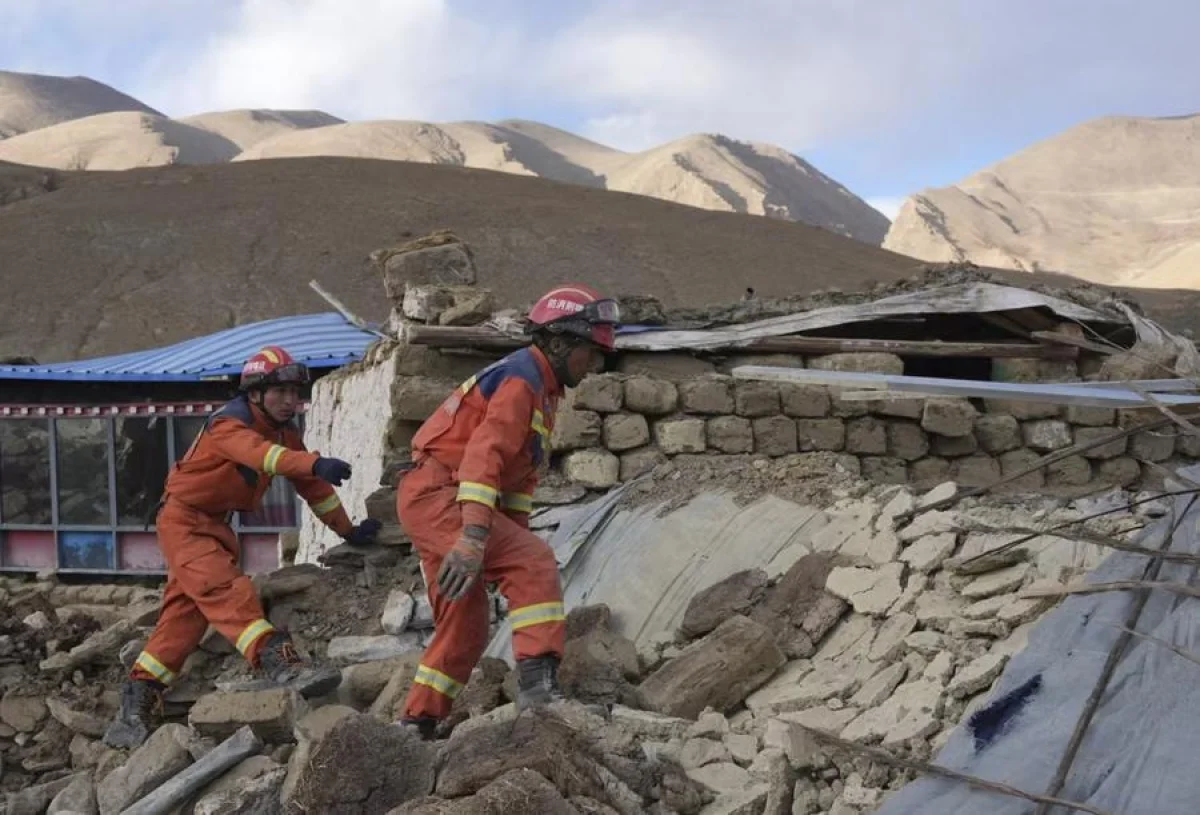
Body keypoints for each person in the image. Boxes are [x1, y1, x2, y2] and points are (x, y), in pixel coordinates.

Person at [103, 346, 380, 749]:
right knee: (225, 590)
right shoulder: (229, 426)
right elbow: (265, 457)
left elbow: (314, 489)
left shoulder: (284, 434)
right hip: (185, 522)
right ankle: (278, 662)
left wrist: (348, 530)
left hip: (213, 525)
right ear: (254, 393)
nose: (290, 401)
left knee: (184, 618)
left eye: (294, 392)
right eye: (280, 392)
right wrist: (313, 461)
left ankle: (135, 706)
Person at [396, 284, 620, 738]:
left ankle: (416, 723)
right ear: (558, 342)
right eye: (589, 352)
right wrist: (477, 539)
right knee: (534, 560)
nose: (594, 364)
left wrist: (503, 541)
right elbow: (483, 458)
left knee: (467, 624)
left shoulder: (542, 389)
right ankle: (538, 691)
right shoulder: (523, 380)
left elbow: (516, 481)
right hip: (441, 495)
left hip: (439, 496)